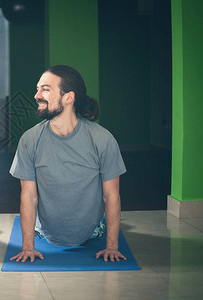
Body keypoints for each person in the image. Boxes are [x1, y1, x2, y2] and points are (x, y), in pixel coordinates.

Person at [9, 65, 127, 263]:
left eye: (45, 89)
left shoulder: (102, 139)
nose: (36, 95)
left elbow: (111, 195)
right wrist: (28, 247)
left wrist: (112, 247)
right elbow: (28, 196)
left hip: (92, 233)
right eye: (38, 89)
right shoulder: (30, 140)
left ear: (68, 97)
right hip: (44, 232)